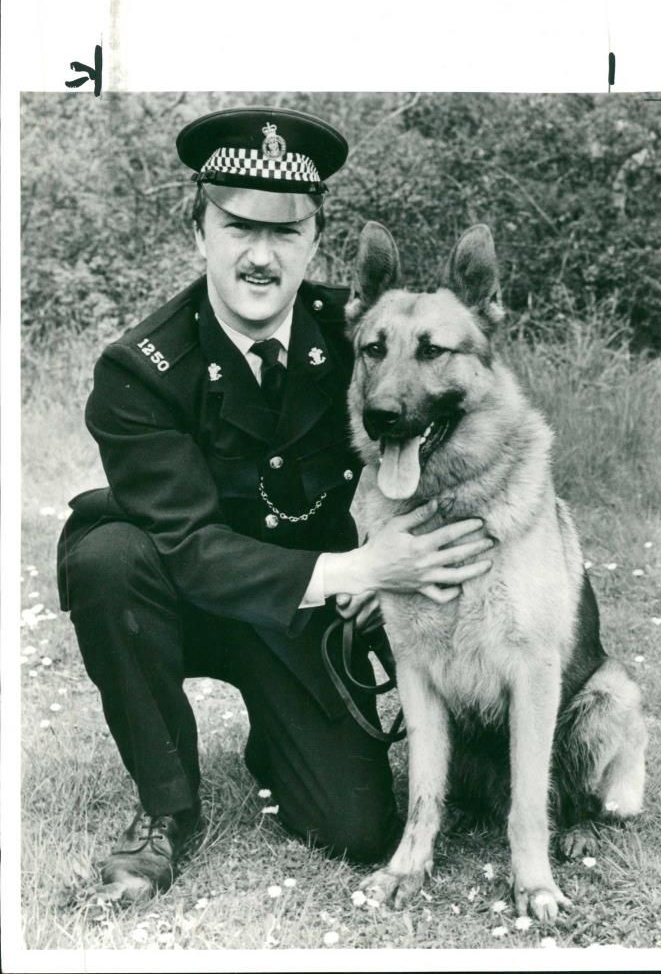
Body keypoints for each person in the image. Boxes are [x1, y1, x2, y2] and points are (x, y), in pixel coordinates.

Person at [56, 106, 494, 904]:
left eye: (286, 233)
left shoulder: (359, 334)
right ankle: (165, 812)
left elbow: (452, 424)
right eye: (236, 228)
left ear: (314, 240)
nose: (261, 256)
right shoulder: (140, 368)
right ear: (199, 230)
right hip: (175, 591)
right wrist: (360, 567)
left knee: (357, 831)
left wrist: (390, 566)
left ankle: (279, 739)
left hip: (296, 609)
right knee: (108, 559)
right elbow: (186, 546)